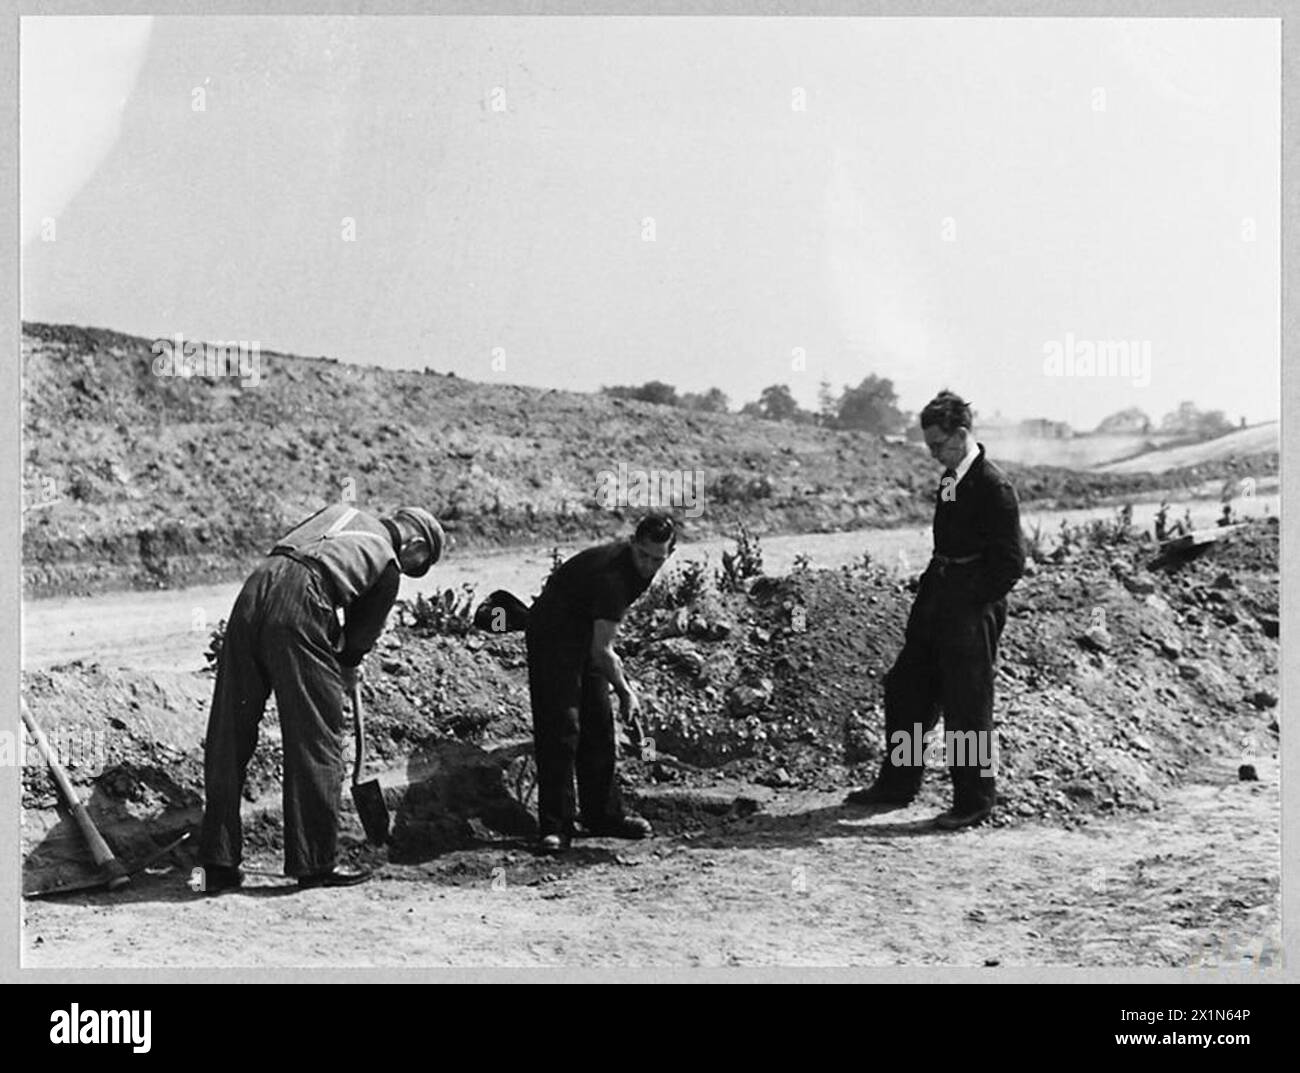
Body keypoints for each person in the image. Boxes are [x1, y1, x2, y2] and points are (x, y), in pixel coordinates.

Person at [197, 503, 444, 891]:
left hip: (255, 587)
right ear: (415, 543)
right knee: (316, 739)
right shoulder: (387, 563)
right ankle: (314, 863)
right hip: (303, 599)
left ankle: (217, 862)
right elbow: (356, 641)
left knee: (230, 728)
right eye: (420, 561)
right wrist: (348, 662)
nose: (412, 567)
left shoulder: (337, 511)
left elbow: (298, 554)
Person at [846, 391, 1024, 829]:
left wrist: (969, 600)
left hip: (971, 608)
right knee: (906, 688)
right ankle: (898, 784)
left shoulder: (993, 486)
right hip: (937, 600)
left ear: (961, 434)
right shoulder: (950, 479)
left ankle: (974, 799)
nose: (933, 454)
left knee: (967, 704)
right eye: (928, 446)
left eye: (939, 445)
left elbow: (1010, 564)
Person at [525, 514, 675, 854]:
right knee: (563, 727)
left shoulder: (640, 569)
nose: (649, 565)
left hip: (585, 631)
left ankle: (602, 815)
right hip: (552, 634)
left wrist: (618, 691)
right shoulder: (615, 577)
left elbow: (599, 646)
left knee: (599, 722)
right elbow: (604, 651)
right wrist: (626, 692)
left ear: (669, 554)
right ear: (632, 543)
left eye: (657, 559)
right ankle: (555, 826)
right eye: (643, 555)